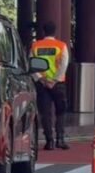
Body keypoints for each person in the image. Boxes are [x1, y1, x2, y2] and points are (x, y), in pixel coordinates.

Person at [30, 21, 70, 150]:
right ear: (55, 31)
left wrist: (42, 79)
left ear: (43, 31)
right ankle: (60, 139)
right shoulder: (61, 46)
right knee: (61, 111)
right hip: (58, 84)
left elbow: (31, 64)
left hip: (42, 85)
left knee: (45, 113)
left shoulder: (35, 46)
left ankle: (49, 141)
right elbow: (64, 65)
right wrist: (54, 80)